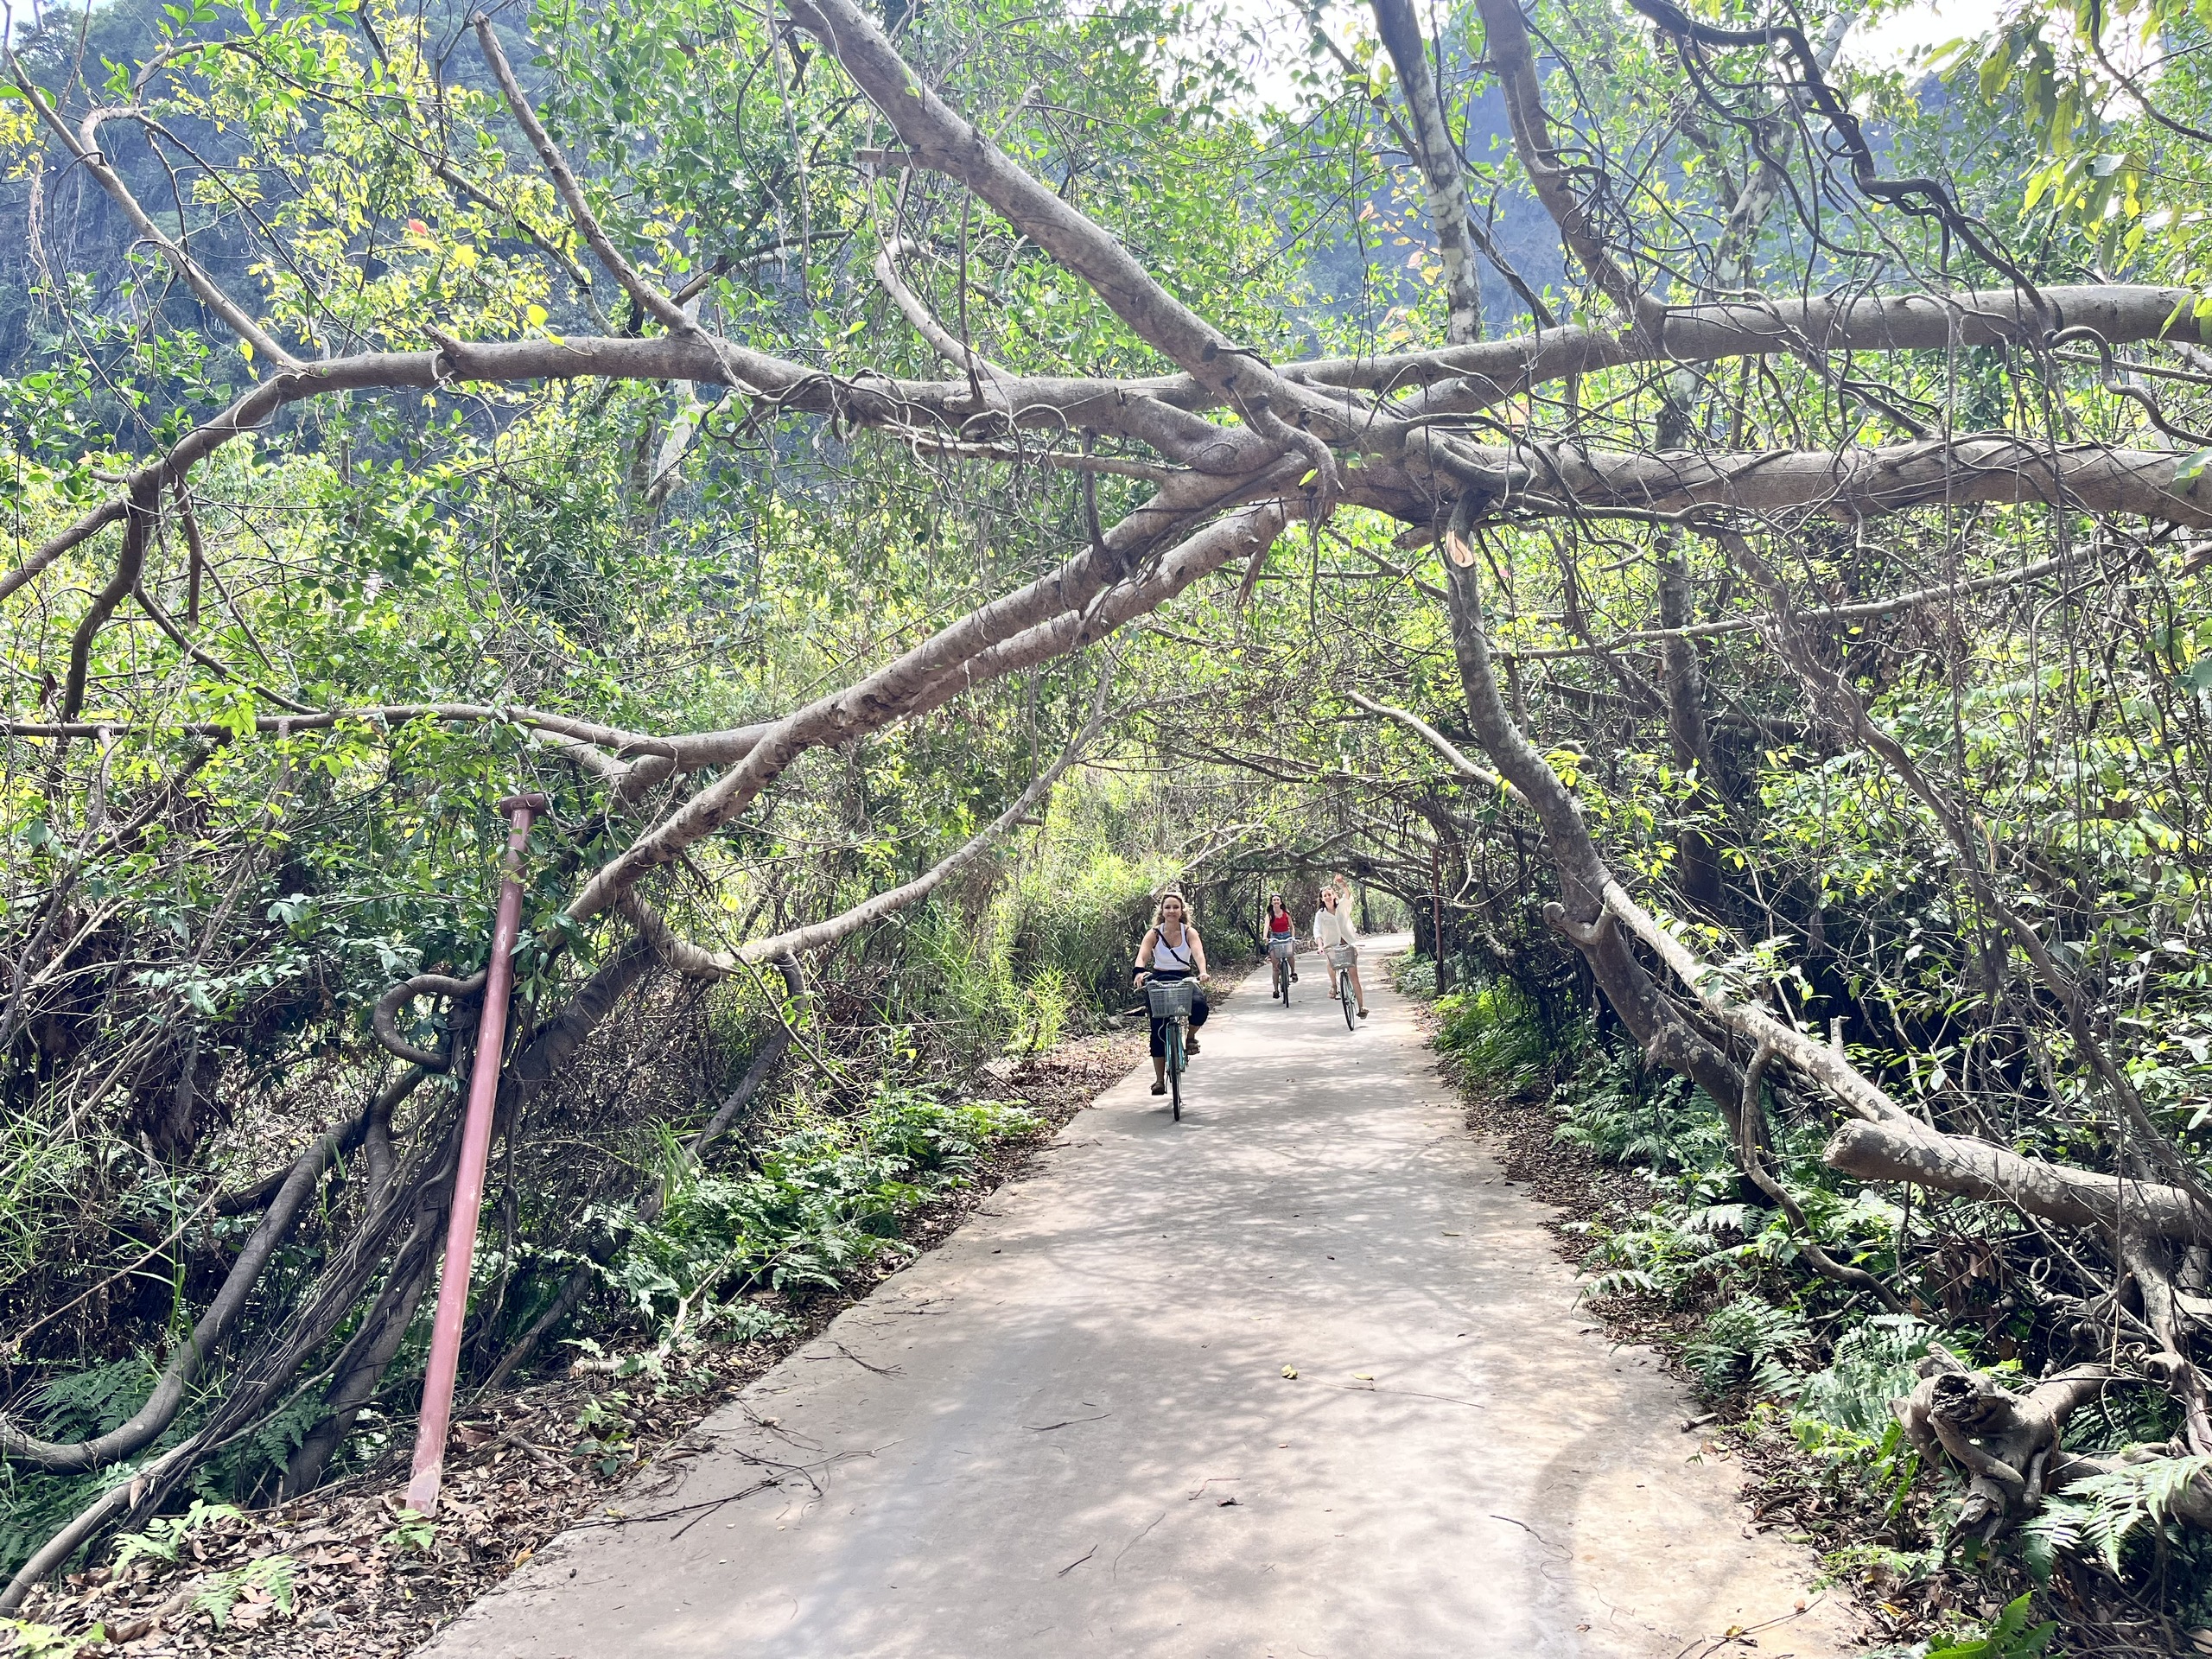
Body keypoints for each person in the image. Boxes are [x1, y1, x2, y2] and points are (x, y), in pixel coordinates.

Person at [1133, 890, 1210, 1094]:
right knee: (1158, 1027)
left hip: (1184, 977)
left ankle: (1190, 1037)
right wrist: (1140, 972)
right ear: (1162, 911)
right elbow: (1143, 956)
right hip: (1159, 977)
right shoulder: (1154, 933)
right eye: (1168, 907)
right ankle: (1159, 1081)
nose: (1172, 911)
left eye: (1175, 907)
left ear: (1182, 909)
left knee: (1200, 1006)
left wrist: (1202, 972)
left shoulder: (1188, 932)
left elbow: (1198, 954)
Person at [1311, 884, 1367, 1018]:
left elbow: (1348, 896)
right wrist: (1320, 946)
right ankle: (1334, 985)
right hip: (1332, 946)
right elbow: (1317, 931)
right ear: (1322, 899)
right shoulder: (1321, 915)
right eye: (1325, 896)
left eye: (1330, 894)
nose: (1328, 897)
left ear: (1334, 895)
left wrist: (1343, 884)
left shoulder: (1342, 907)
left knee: (1354, 976)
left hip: (1349, 944)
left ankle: (1361, 1006)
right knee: (1330, 963)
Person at [1265, 893, 1298, 982]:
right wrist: (1265, 937)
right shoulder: (1269, 915)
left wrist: (1293, 937)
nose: (1276, 902)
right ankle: (1278, 982)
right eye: (1274, 900)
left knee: (1290, 954)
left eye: (1277, 900)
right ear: (1271, 902)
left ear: (1280, 902)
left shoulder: (1286, 914)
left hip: (1286, 935)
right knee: (1275, 962)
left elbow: (1291, 927)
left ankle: (1293, 972)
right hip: (1275, 936)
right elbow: (1267, 927)